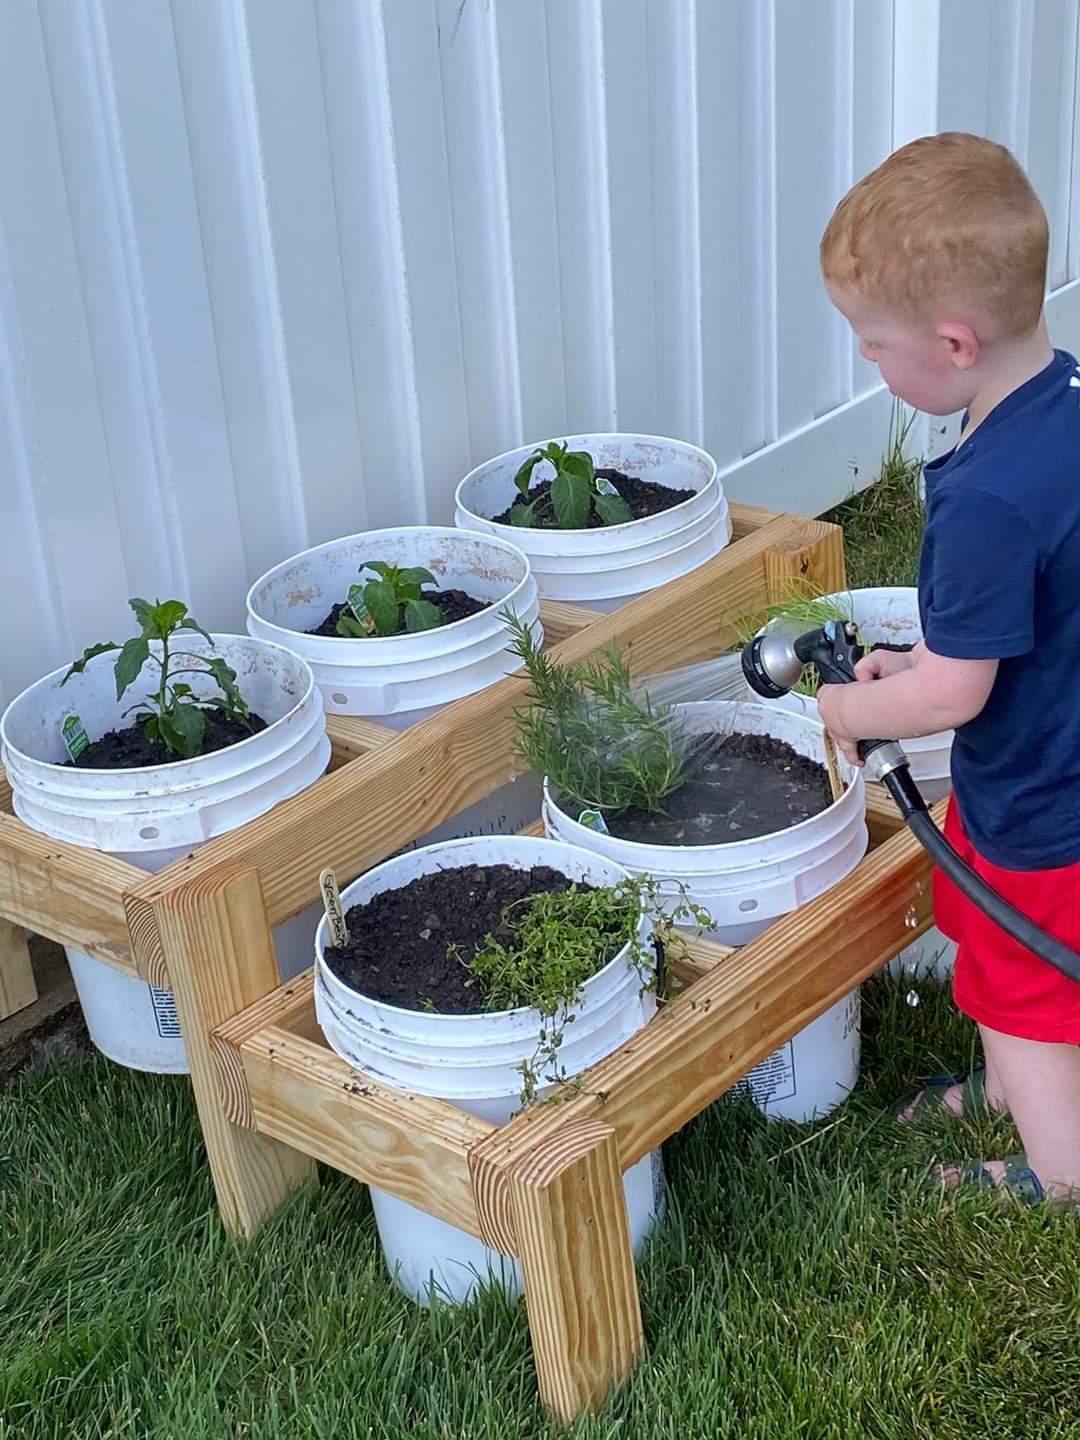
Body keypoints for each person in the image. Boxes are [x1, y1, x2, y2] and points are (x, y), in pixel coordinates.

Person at [816, 131, 1080, 1204]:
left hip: (1041, 807)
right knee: (995, 938)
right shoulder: (1061, 403)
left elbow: (959, 693)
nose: (869, 365)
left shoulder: (984, 499)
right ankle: (1023, 1083)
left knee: (1021, 985)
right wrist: (917, 658)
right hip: (1051, 761)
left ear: (955, 343)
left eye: (875, 346)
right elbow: (1021, 618)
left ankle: (1054, 1170)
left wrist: (848, 703)